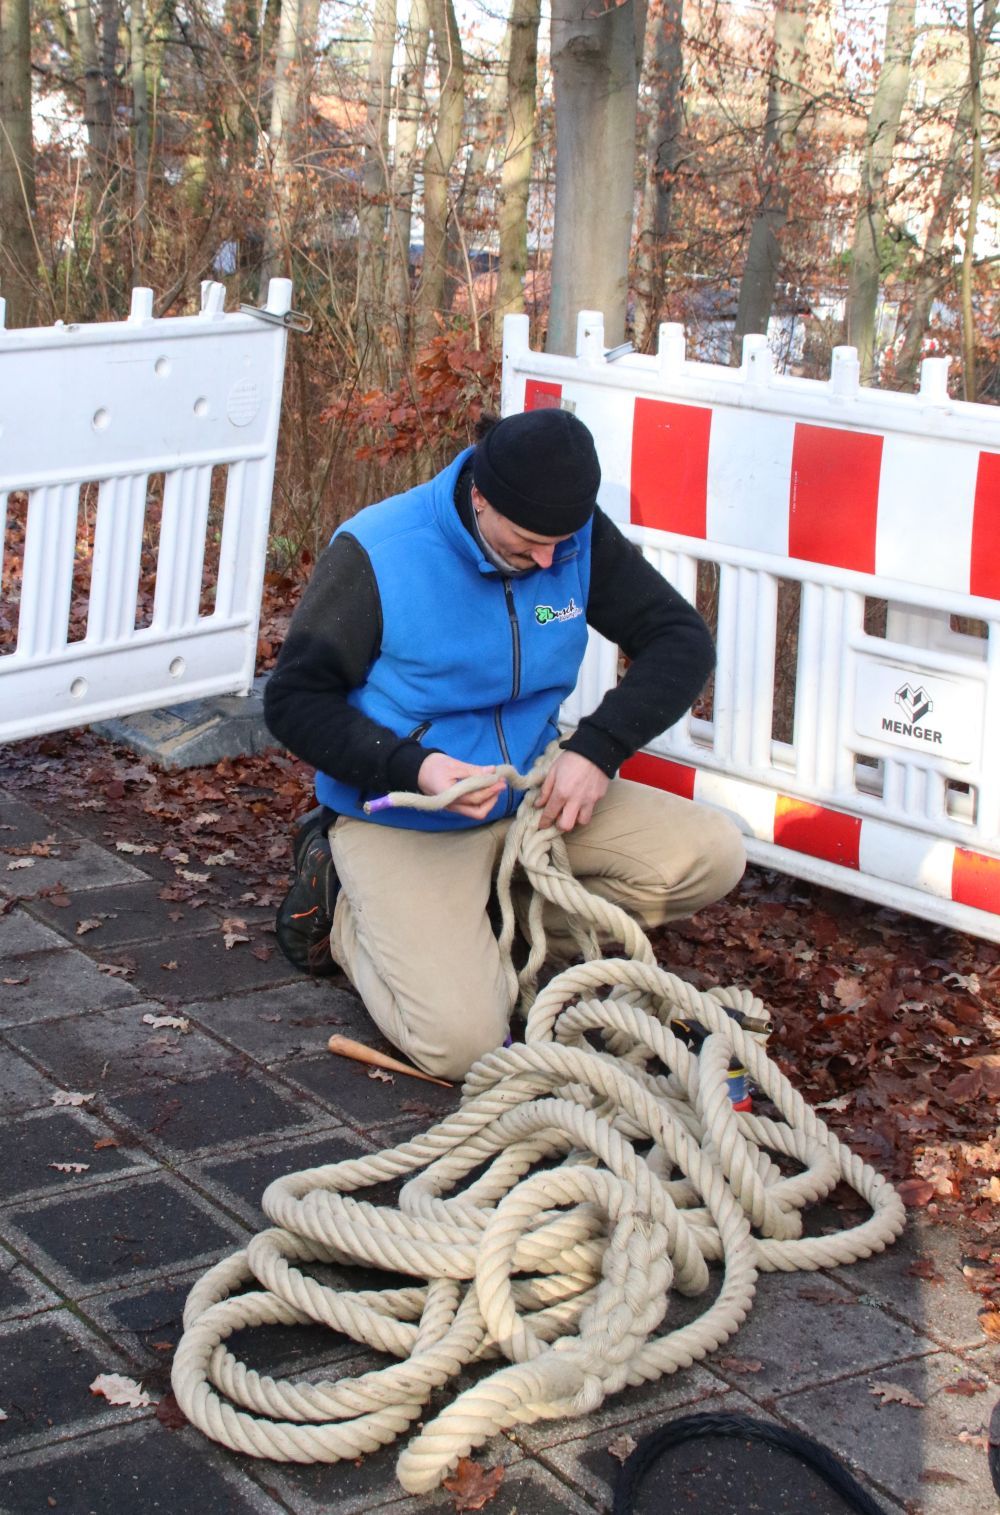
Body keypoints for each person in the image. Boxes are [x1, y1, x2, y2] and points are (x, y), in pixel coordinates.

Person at [263, 407, 745, 1080]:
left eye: (562, 542)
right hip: (406, 811)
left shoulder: (568, 538)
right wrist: (417, 766)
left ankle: (505, 915)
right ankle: (350, 910)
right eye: (529, 543)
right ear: (480, 496)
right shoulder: (380, 550)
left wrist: (597, 747)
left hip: (534, 792)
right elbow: (292, 701)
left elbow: (681, 639)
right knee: (466, 1046)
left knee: (715, 855)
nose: (549, 560)